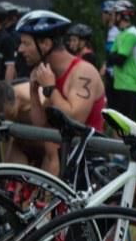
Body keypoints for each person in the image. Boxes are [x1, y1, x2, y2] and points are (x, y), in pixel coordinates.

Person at [18, 11, 106, 174]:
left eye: (26, 43)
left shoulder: (82, 72)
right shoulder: (52, 74)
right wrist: (34, 92)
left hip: (88, 167)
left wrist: (50, 89)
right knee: (17, 142)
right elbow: (41, 125)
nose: (20, 49)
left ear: (45, 44)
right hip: (64, 161)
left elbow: (75, 120)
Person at [104, 0, 136, 121]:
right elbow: (110, 57)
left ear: (121, 15)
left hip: (130, 84)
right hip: (120, 83)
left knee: (129, 124)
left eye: (114, 14)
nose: (112, 17)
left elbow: (120, 59)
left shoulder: (132, 34)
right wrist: (113, 57)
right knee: (119, 123)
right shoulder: (121, 34)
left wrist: (113, 57)